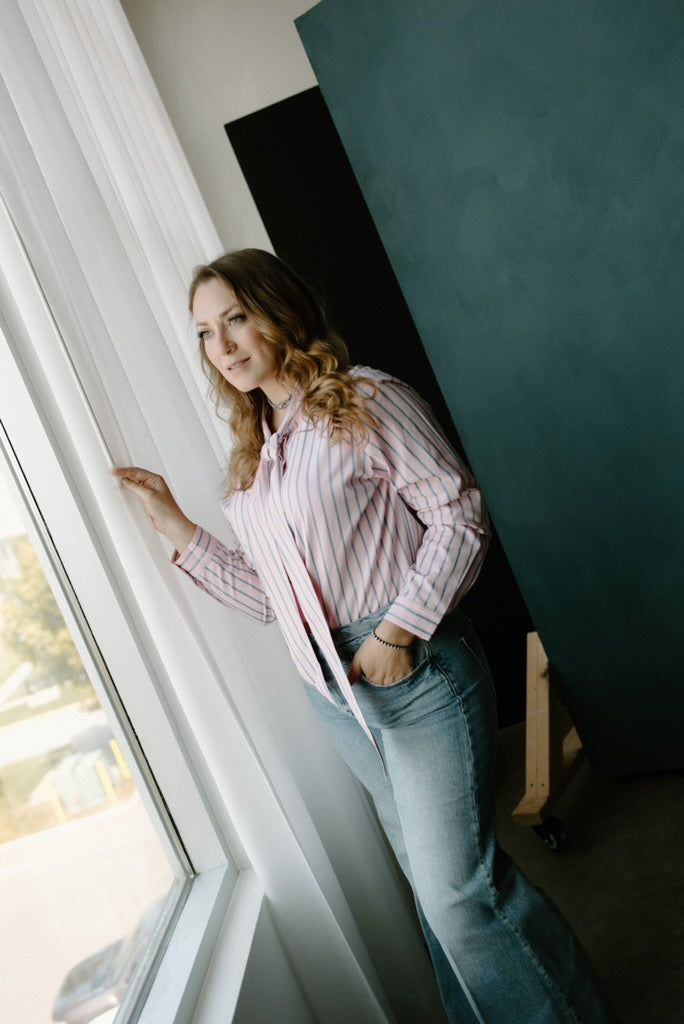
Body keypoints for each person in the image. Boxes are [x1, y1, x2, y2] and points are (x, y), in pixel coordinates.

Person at [113, 248, 620, 1024]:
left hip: (413, 671)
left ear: (279, 308)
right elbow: (274, 600)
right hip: (333, 691)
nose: (225, 344)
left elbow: (459, 513)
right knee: (432, 883)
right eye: (207, 333)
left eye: (238, 317)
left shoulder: (365, 399)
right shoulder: (257, 454)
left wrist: (397, 631)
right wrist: (176, 525)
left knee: (458, 896)